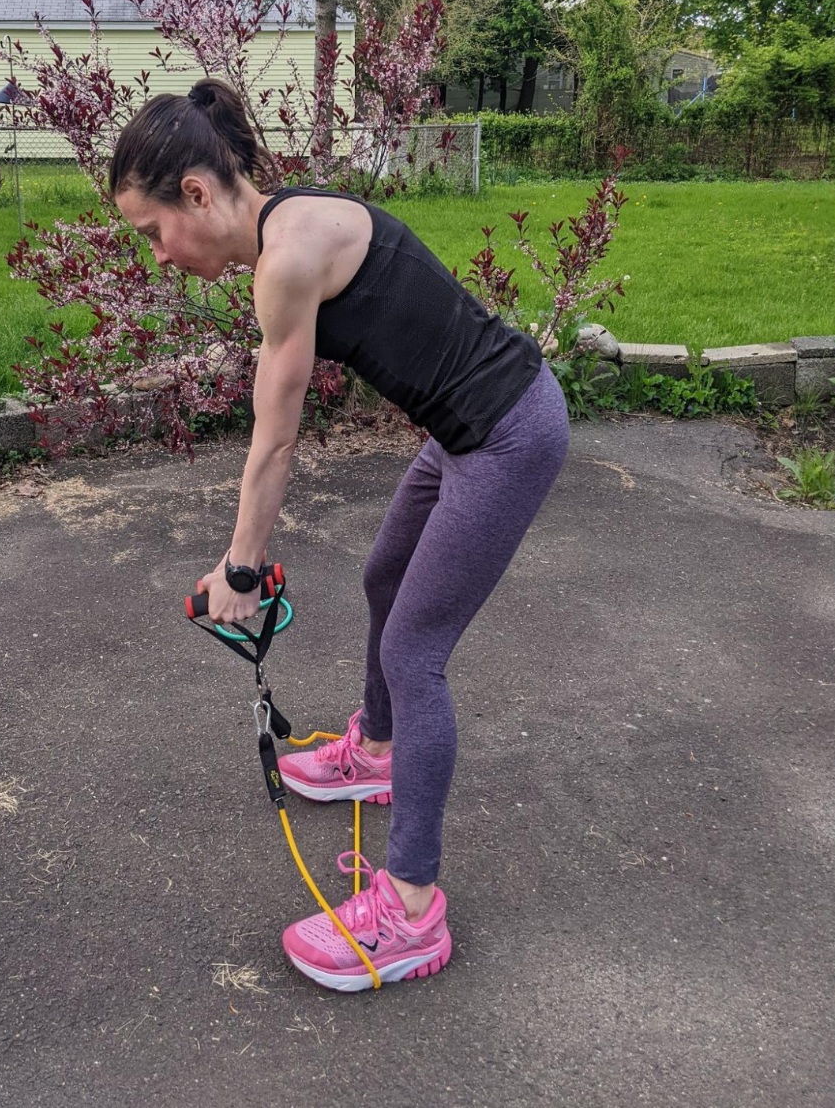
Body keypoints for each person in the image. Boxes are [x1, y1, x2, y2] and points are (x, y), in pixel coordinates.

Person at [110, 79, 570, 991]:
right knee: (384, 575)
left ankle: (409, 909)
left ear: (196, 194)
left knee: (415, 653)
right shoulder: (291, 222)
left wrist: (240, 568)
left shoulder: (285, 261)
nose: (158, 254)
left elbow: (275, 441)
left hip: (508, 435)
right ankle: (380, 754)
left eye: (153, 230)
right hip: (467, 428)